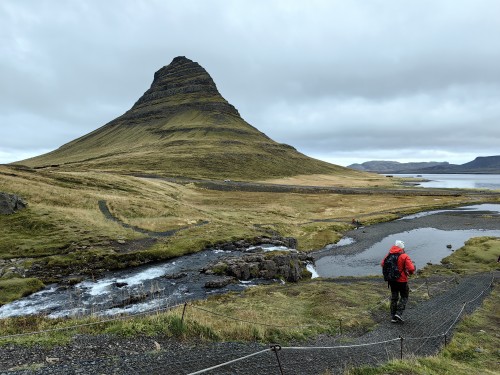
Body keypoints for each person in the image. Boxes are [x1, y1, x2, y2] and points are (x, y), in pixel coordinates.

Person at [381, 240, 415, 323]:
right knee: (404, 296)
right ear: (402, 248)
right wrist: (409, 272)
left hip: (392, 281)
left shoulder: (388, 255)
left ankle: (393, 316)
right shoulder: (404, 256)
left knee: (394, 297)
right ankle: (398, 313)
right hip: (402, 280)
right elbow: (411, 268)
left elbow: (382, 264)